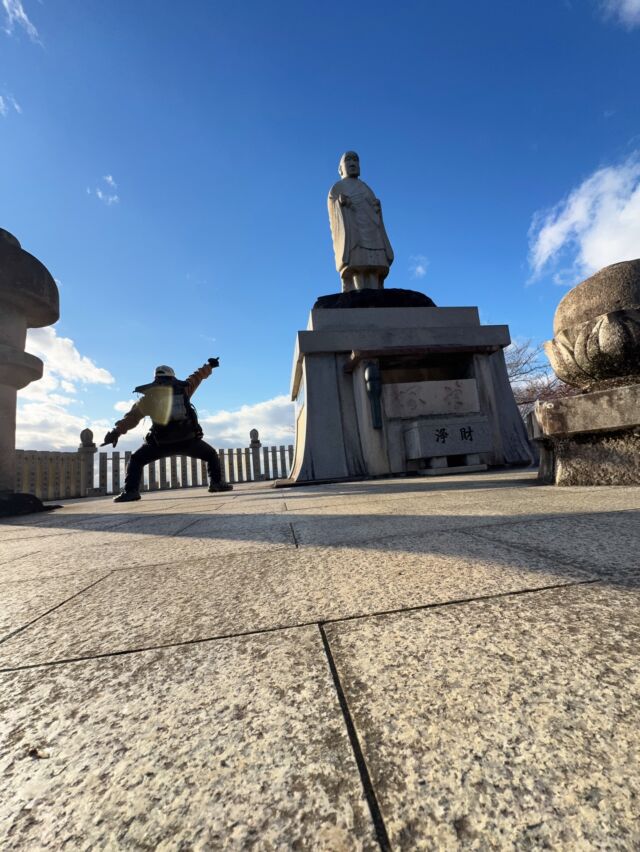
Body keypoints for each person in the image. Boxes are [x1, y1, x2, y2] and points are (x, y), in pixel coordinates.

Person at [103, 359, 232, 503]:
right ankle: (216, 484)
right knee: (211, 455)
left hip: (160, 443)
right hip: (188, 440)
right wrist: (209, 366)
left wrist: (116, 432)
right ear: (173, 377)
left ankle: (131, 492)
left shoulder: (148, 398)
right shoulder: (184, 388)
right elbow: (197, 376)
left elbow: (131, 418)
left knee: (136, 459)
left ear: (155, 379)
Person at [327, 151, 394, 292]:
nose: (352, 163)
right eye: (348, 160)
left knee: (374, 264)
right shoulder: (337, 187)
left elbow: (373, 206)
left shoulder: (365, 187)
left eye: (356, 160)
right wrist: (340, 203)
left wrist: (377, 207)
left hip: (371, 229)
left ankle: (375, 289)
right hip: (353, 232)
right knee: (358, 263)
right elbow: (333, 204)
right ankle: (357, 290)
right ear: (340, 169)